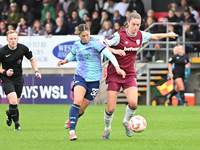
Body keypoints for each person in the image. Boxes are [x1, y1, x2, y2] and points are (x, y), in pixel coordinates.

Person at [101, 11, 178, 140]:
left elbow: (155, 36)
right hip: (114, 73)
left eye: (138, 24)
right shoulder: (119, 36)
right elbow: (103, 45)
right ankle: (107, 129)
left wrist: (168, 34)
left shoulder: (141, 35)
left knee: (133, 103)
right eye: (133, 24)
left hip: (129, 74)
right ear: (128, 23)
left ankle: (126, 121)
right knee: (111, 108)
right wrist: (115, 50)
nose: (136, 27)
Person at [57, 24, 126, 141]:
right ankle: (72, 131)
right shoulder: (77, 44)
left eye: (87, 35)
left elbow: (109, 54)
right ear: (78, 35)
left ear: (90, 32)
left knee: (81, 110)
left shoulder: (96, 43)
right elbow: (72, 54)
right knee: (77, 100)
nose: (86, 38)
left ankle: (71, 118)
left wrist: (117, 67)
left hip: (94, 81)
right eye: (83, 36)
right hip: (81, 76)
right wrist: (65, 61)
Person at [0, 30, 42, 131]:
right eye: (11, 39)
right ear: (7, 40)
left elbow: (32, 59)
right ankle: (17, 125)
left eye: (15, 38)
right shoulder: (2, 51)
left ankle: (9, 114)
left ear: (17, 38)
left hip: (18, 78)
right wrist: (5, 72)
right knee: (13, 100)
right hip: (6, 78)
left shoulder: (23, 48)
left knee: (15, 105)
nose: (13, 41)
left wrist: (36, 71)